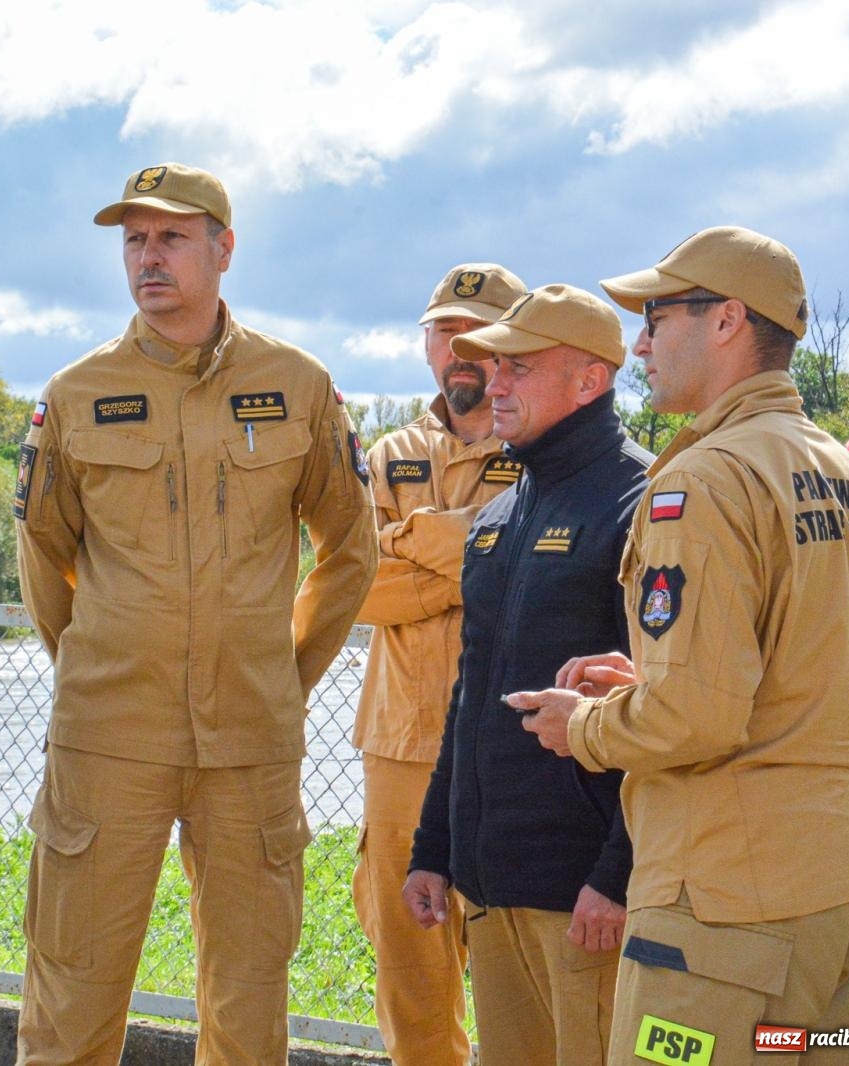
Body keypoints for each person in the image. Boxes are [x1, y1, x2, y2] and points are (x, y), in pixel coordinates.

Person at [514, 227, 849, 1066]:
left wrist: (582, 725)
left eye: (657, 318)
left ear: (727, 320)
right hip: (837, 894)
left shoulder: (706, 479)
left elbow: (697, 717)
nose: (640, 345)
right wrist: (652, 682)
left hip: (723, 912)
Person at [12, 162, 376, 1065]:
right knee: (72, 996)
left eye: (171, 237)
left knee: (249, 1005)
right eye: (134, 239)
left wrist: (282, 674)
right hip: (108, 739)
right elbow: (44, 559)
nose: (149, 256)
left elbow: (350, 548)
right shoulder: (76, 394)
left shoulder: (298, 385)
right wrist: (101, 665)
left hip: (251, 741)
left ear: (224, 249)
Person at [403, 284, 650, 1065]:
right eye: (495, 365)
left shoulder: (641, 503)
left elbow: (669, 716)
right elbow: (471, 697)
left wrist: (617, 877)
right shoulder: (499, 516)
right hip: (491, 885)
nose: (495, 383)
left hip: (585, 900)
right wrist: (435, 848)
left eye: (519, 367)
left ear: (589, 379)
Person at [350, 261, 527, 1065]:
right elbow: (357, 586)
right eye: (445, 331)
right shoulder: (389, 455)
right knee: (410, 967)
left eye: (479, 333)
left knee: (518, 966)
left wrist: (411, 540)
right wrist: (475, 553)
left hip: (516, 742)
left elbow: (537, 574)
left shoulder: (542, 452)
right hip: (399, 744)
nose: (460, 349)